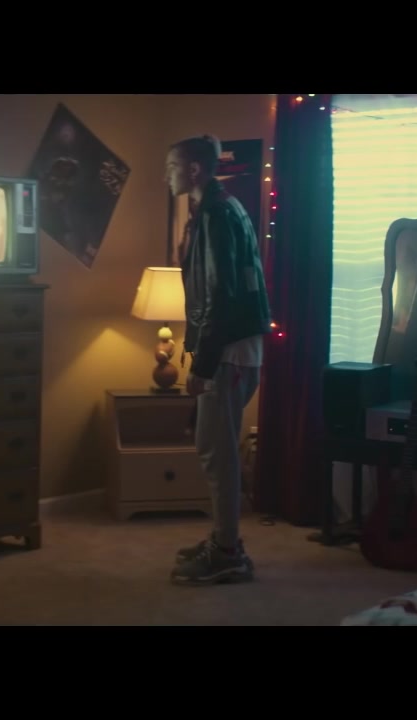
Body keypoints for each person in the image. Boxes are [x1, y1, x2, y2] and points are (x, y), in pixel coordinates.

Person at [164, 134, 272, 585]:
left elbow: (219, 295)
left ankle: (227, 551)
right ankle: (224, 539)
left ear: (193, 170)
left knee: (216, 453)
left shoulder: (214, 213)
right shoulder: (225, 207)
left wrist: (202, 365)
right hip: (236, 348)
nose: (167, 175)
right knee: (218, 449)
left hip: (227, 352)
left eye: (172, 167)